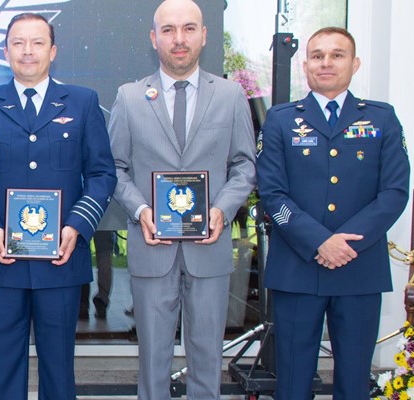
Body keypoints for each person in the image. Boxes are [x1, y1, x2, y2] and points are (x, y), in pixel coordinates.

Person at [0, 13, 116, 400]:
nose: (27, 51)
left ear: (53, 51)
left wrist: (77, 226)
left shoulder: (83, 102)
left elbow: (103, 174)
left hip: (61, 261)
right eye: (18, 43)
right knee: (4, 373)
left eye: (37, 42)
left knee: (59, 373)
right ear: (5, 52)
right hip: (1, 263)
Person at [108, 0, 256, 398]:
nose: (179, 39)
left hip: (209, 247)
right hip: (152, 245)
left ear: (204, 36)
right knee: (152, 358)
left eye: (189, 29)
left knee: (208, 356)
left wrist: (222, 210)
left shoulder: (230, 95)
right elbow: (114, 168)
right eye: (169, 30)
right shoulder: (130, 97)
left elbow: (245, 166)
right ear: (154, 38)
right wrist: (141, 211)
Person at [256, 27, 410, 399]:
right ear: (306, 65)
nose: (326, 62)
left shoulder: (381, 118)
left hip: (358, 268)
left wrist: (344, 244)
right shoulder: (279, 120)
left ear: (354, 64)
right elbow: (272, 194)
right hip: (297, 268)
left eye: (337, 55)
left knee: (355, 379)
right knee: (291, 380)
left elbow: (394, 192)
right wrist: (320, 242)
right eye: (318, 55)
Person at [79, 230, 114, 319]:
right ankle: (102, 301)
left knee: (81, 257)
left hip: (83, 219)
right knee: (104, 259)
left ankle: (82, 307)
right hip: (105, 219)